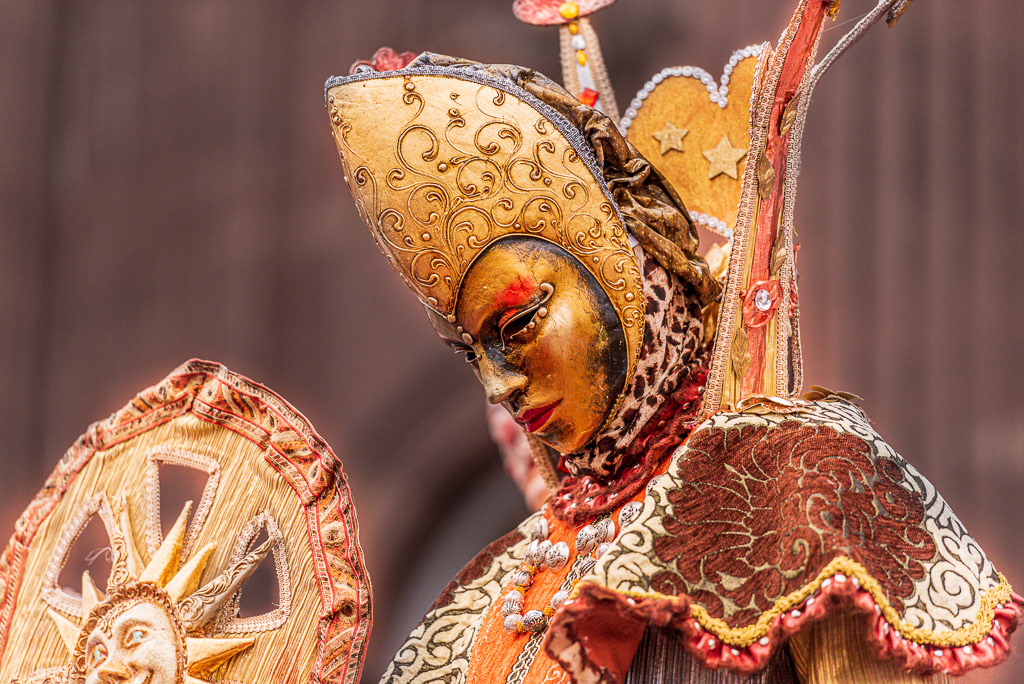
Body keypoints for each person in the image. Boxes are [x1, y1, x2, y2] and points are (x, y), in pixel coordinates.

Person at [325, 24, 1022, 684]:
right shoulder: (503, 584)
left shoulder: (799, 486)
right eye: (471, 352)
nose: (497, 385)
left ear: (628, 274)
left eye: (521, 323)